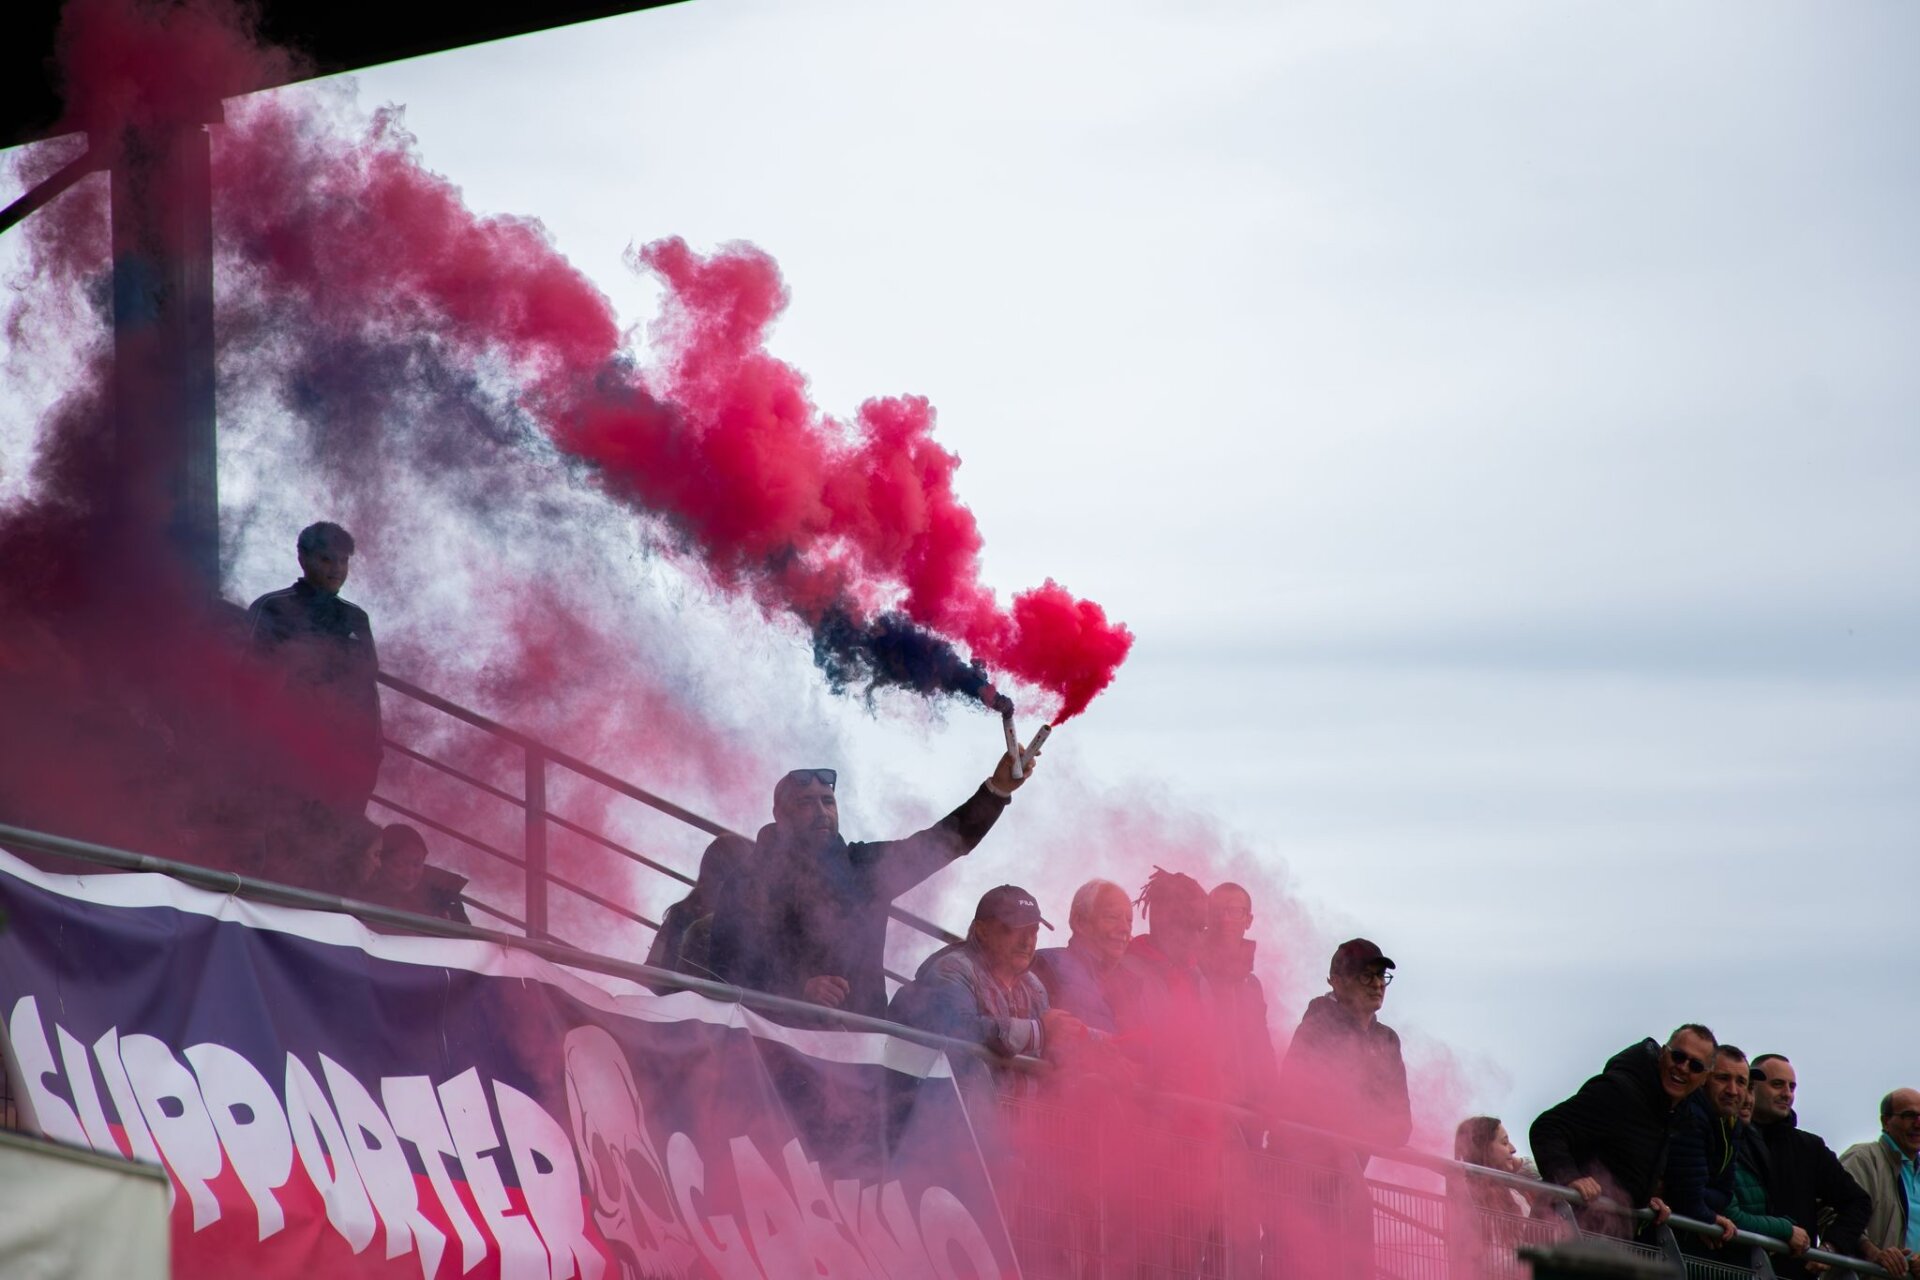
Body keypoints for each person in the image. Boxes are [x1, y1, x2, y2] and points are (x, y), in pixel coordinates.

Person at [729, 751, 1038, 1019]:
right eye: (806, 803)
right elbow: (728, 963)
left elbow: (940, 843)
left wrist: (996, 791)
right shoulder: (749, 880)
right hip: (774, 1042)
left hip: (864, 1042)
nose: (821, 811)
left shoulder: (863, 867)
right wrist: (800, 989)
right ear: (780, 815)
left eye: (828, 801)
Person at [891, 885, 1083, 1102]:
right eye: (1012, 929)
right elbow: (959, 1030)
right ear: (982, 931)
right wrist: (1036, 1031)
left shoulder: (1033, 986)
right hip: (953, 1112)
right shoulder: (951, 970)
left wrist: (1070, 1051)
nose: (1027, 941)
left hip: (1020, 1117)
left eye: (1033, 931)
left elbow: (1048, 1044)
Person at [246, 521, 383, 816]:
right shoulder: (272, 607)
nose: (337, 569)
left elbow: (367, 690)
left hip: (345, 760)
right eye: (326, 559)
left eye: (343, 560)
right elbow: (250, 680)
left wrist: (370, 757)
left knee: (338, 836)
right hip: (288, 756)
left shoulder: (356, 618)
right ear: (303, 559)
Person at [1528, 1024, 1716, 1237]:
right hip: (1560, 1229)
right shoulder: (1619, 1091)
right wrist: (1569, 1178)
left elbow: (1623, 1163)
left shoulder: (1676, 1114)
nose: (1683, 1067)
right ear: (1663, 1054)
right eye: (1678, 1057)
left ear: (1705, 1078)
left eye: (1695, 1066)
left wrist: (1644, 1200)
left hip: (1602, 1238)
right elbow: (1547, 1128)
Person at [1744, 1053, 1883, 1277]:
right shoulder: (1730, 1135)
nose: (1787, 1093)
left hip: (1793, 1272)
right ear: (1752, 1086)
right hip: (1733, 1266)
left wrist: (1831, 1247)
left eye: (1792, 1087)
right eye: (1777, 1084)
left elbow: (1858, 1201)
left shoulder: (1809, 1147)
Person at [1277, 938, 1412, 1158]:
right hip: (1298, 1167)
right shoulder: (1317, 1030)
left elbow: (1401, 1127)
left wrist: (1358, 1125)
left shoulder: (1387, 1040)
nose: (1377, 984)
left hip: (1349, 1169)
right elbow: (1301, 1107)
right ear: (1337, 982)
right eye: (1366, 976)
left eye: (1381, 976)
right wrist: (1370, 1125)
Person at [1200, 882, 1279, 1119]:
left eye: (1235, 911)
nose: (1226, 919)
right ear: (1207, 917)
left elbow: (1262, 1047)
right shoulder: (1192, 971)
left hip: (1249, 1111)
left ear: (1249, 920)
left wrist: (1273, 1098)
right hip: (1205, 1104)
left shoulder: (1252, 986)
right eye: (1217, 911)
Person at [1666, 1044, 1747, 1253]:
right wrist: (1706, 1216)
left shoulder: (1732, 1123)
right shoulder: (1691, 1115)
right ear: (1704, 1078)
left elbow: (1725, 1194)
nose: (1732, 1090)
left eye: (1741, 1082)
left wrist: (1702, 1205)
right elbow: (1686, 1195)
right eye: (1723, 1078)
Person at [646, 836, 752, 987]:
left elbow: (652, 969)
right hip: (693, 997)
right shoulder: (681, 913)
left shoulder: (680, 912)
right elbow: (653, 970)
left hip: (678, 996)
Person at [1031, 878, 1131, 1036]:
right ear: (1079, 922)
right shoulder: (1045, 966)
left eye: (1129, 920)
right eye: (1112, 917)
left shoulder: (1131, 985)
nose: (1125, 928)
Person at [1836, 1088, 1919, 1275]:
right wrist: (1872, 1253)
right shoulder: (1862, 1159)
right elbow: (1830, 1213)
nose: (1918, 1123)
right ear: (1885, 1121)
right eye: (1909, 1115)